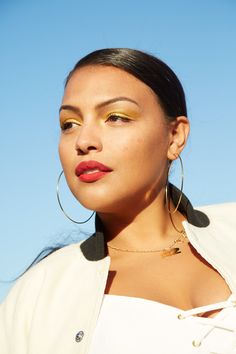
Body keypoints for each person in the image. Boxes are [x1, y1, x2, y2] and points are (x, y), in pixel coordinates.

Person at [0, 48, 236, 354]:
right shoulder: (40, 294)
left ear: (175, 136)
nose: (83, 142)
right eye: (69, 124)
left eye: (116, 117)